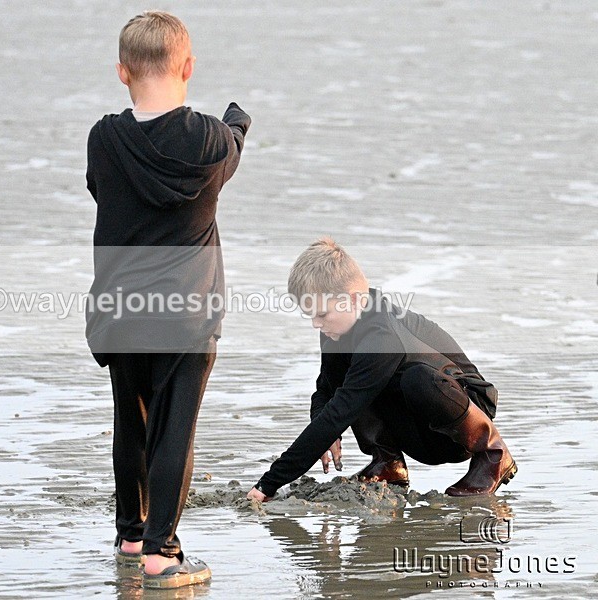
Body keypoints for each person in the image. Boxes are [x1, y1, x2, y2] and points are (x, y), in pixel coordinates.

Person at [85, 11, 251, 589]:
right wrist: (238, 123)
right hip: (186, 313)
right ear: (188, 67)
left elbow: (100, 189)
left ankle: (131, 538)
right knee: (173, 429)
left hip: (119, 308)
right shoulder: (209, 138)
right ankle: (162, 554)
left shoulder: (104, 137)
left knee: (130, 424)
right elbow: (230, 151)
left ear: (122, 72)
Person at [247, 238, 517, 502]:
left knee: (414, 379)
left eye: (322, 314)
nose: (316, 324)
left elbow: (343, 408)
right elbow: (326, 390)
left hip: (461, 426)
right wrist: (327, 433)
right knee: (354, 381)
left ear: (353, 300)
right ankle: (388, 463)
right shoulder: (338, 330)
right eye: (310, 316)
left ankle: (493, 454)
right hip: (416, 425)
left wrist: (268, 484)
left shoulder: (382, 336)